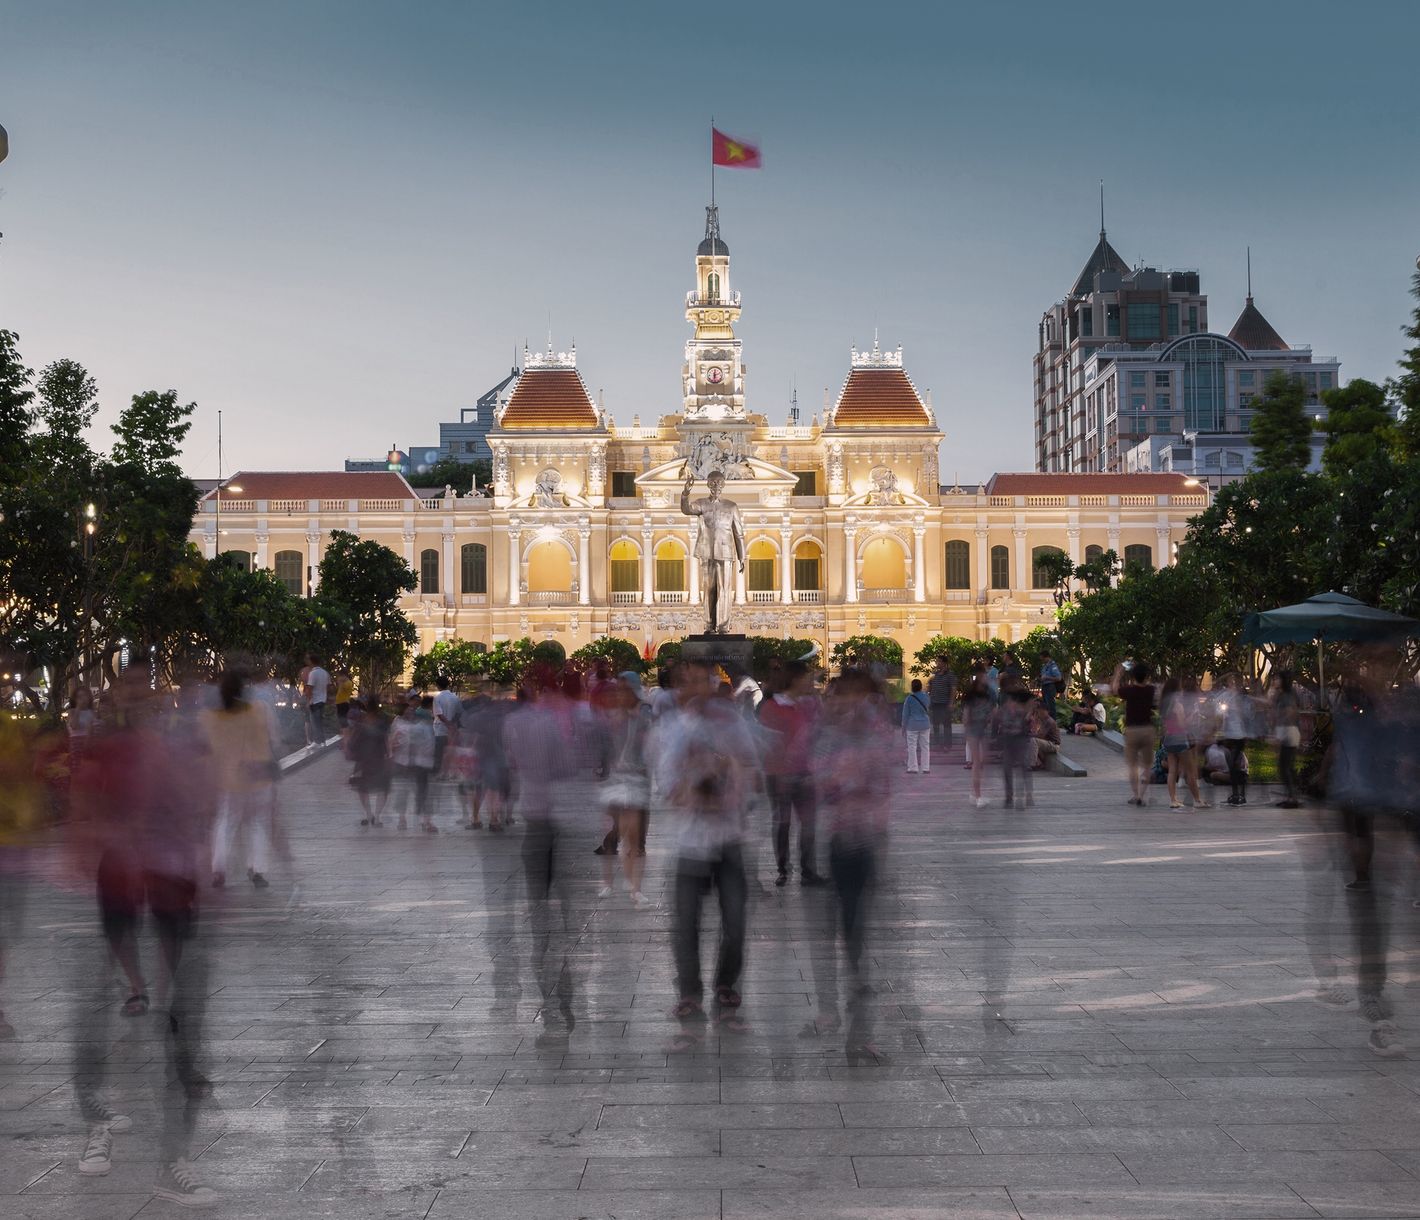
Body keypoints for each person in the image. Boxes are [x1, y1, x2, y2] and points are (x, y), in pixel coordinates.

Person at [652, 660, 757, 1051]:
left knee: (735, 921)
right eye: (689, 681)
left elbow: (748, 768)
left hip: (729, 837)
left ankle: (726, 985)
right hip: (690, 841)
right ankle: (690, 992)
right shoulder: (670, 729)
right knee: (686, 924)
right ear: (678, 687)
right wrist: (700, 784)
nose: (699, 687)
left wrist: (730, 781)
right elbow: (668, 785)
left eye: (704, 680)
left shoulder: (730, 723)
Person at [201, 670, 279, 889]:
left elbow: (207, 749)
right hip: (259, 776)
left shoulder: (212, 716)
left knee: (225, 823)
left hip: (229, 778)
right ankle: (257, 869)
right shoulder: (261, 710)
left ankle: (219, 869)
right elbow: (274, 739)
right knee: (258, 825)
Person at [757, 660, 826, 887]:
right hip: (780, 776)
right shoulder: (772, 707)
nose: (810, 682)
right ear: (795, 680)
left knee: (808, 823)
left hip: (804, 773)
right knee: (783, 822)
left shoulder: (805, 706)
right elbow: (768, 745)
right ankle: (783, 869)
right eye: (807, 678)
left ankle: (808, 870)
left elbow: (815, 736)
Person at [597, 673, 653, 908]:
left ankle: (635, 887)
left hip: (634, 781)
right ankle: (608, 882)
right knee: (611, 833)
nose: (620, 695)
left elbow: (649, 747)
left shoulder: (641, 717)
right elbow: (602, 747)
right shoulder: (608, 720)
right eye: (618, 691)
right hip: (614, 782)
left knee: (632, 835)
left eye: (625, 690)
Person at [679, 469, 745, 635]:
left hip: (726, 553)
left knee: (725, 590)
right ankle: (709, 626)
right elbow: (687, 509)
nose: (717, 485)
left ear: (724, 485)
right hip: (707, 552)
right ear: (708, 484)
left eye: (720, 482)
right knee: (709, 590)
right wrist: (685, 493)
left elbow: (739, 533)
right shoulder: (702, 504)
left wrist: (742, 556)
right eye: (713, 482)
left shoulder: (731, 506)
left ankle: (723, 627)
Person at [387, 694, 437, 832]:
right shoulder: (398, 723)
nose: (410, 712)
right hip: (403, 763)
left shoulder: (423, 725)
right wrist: (392, 751)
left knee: (423, 792)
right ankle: (402, 819)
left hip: (420, 764)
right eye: (408, 711)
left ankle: (426, 821)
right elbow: (391, 741)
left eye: (412, 711)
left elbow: (430, 744)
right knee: (403, 791)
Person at [1160, 676, 1208, 810]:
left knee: (1172, 771)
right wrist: (1192, 715)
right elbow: (1182, 724)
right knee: (1190, 771)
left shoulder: (1164, 705)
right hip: (1180, 740)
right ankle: (1198, 800)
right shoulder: (1177, 705)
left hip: (1169, 739)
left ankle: (1173, 799)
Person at [1113, 661, 1157, 807]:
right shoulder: (1151, 690)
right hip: (1147, 730)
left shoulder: (1129, 690)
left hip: (1132, 731)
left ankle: (1136, 795)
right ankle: (1142, 796)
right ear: (1146, 677)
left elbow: (1114, 689)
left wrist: (1118, 674)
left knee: (1132, 766)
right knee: (1147, 766)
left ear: (1133, 676)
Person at [347, 695, 392, 827]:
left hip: (364, 760)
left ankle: (369, 814)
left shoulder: (361, 722)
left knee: (363, 789)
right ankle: (377, 817)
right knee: (382, 788)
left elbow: (352, 743)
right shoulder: (382, 722)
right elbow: (386, 739)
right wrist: (389, 755)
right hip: (378, 759)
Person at [993, 675, 1035, 809]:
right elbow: (1000, 712)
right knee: (1007, 767)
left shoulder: (1021, 693)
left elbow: (1033, 701)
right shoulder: (1003, 695)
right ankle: (1009, 797)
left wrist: (1026, 712)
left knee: (1023, 766)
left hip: (1021, 735)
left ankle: (1026, 795)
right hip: (1008, 735)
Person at [1214, 674, 1253, 806]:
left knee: (1236, 764)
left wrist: (1237, 708)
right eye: (1230, 682)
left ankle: (1241, 794)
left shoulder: (1242, 697)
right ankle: (1235, 793)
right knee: (1231, 765)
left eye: (1234, 682)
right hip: (1228, 734)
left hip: (1239, 734)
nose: (1232, 685)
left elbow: (1247, 714)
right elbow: (1217, 707)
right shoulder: (1226, 695)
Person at [961, 669, 993, 808]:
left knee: (981, 762)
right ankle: (978, 796)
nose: (986, 679)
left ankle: (975, 794)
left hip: (982, 730)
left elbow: (990, 713)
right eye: (984, 677)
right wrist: (967, 731)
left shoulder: (986, 696)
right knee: (977, 763)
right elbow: (966, 716)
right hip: (974, 730)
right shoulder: (971, 697)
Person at [1272, 670, 1302, 808]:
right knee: (1286, 766)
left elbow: (1291, 712)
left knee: (1285, 767)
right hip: (1287, 731)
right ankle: (1291, 796)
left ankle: (1292, 798)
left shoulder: (1287, 695)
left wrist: (1281, 732)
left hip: (1289, 731)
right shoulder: (1282, 695)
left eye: (1277, 679)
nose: (1274, 681)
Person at [431, 674, 463, 774]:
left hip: (440, 730)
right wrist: (452, 724)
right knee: (451, 751)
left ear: (438, 685)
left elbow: (439, 715)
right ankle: (449, 772)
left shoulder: (437, 698)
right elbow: (459, 712)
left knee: (439, 752)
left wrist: (448, 724)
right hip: (452, 731)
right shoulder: (455, 697)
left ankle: (439, 772)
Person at [901, 678, 932, 774]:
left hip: (912, 725)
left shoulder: (909, 698)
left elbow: (905, 714)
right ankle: (926, 768)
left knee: (912, 747)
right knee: (925, 746)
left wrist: (903, 727)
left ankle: (913, 768)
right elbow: (928, 708)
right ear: (921, 687)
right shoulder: (926, 697)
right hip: (925, 724)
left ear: (912, 687)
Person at [927, 656, 956, 750]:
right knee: (935, 724)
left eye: (938, 661)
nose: (937, 663)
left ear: (944, 663)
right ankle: (937, 744)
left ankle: (947, 745)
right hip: (935, 703)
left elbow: (953, 689)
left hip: (945, 703)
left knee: (946, 725)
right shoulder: (935, 674)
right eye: (936, 661)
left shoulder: (950, 674)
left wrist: (951, 702)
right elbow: (931, 687)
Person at [302, 656, 331, 745]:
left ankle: (317, 742)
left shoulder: (313, 673)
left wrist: (308, 701)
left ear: (312, 662)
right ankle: (323, 741)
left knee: (314, 722)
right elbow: (329, 686)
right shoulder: (325, 673)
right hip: (323, 700)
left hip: (315, 701)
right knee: (320, 721)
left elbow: (310, 688)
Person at [1026, 701, 1061, 771]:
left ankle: (1032, 764)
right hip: (1046, 742)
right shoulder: (1043, 720)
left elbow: (1041, 735)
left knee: (1033, 740)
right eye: (1039, 711)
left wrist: (1028, 735)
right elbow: (1026, 721)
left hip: (1053, 744)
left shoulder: (1049, 721)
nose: (1039, 713)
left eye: (1041, 711)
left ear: (1046, 711)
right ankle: (1038, 763)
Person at [1038, 651, 1063, 718]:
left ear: (1046, 657)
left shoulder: (1053, 666)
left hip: (1050, 687)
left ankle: (1053, 723)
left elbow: (1059, 678)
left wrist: (1047, 678)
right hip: (1044, 687)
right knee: (1045, 707)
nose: (1042, 661)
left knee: (1050, 707)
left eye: (1042, 659)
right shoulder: (1044, 666)